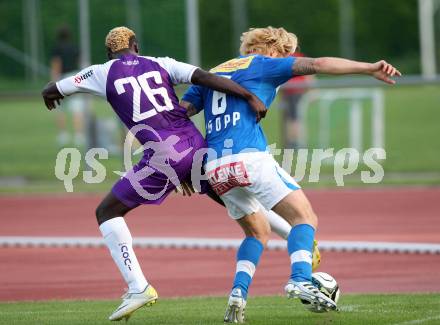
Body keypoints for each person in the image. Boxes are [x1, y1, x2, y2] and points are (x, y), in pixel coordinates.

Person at [41, 26, 268, 322]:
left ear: (109, 52)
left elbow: (54, 88)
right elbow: (205, 77)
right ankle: (297, 238)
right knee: (237, 200)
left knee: (107, 212)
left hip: (163, 155)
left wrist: (50, 94)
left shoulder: (102, 71)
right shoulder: (162, 62)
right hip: (194, 142)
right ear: (136, 45)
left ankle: (138, 287)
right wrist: (249, 96)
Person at [181, 26, 400, 322]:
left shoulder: (212, 72)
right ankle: (300, 277)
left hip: (215, 167)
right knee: (304, 217)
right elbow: (318, 64)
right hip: (249, 157)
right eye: (284, 54)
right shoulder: (263, 63)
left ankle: (238, 293)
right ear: (273, 50)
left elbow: (180, 113)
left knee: (257, 232)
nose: (285, 59)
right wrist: (368, 68)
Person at [50, 25, 85, 147]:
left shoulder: (57, 48)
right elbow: (80, 64)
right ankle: (79, 135)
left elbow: (57, 65)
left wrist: (54, 81)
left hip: (62, 78)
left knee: (60, 108)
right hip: (75, 78)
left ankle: (63, 135)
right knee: (77, 109)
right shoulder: (76, 48)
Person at [281, 52, 312, 149]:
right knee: (290, 118)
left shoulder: (295, 56)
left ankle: (296, 142)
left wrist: (312, 89)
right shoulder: (284, 57)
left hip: (296, 92)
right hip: (289, 92)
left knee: (294, 118)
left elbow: (309, 73)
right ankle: (292, 142)